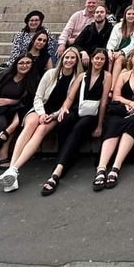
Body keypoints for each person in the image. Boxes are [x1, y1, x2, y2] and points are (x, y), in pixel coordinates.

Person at [0, 46, 84, 192]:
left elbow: (69, 103)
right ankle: (12, 169)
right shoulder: (50, 74)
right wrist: (42, 113)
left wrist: (53, 115)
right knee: (31, 124)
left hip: (55, 113)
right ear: (62, 59)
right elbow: (38, 97)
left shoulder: (78, 78)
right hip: (40, 108)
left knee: (41, 129)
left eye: (72, 58)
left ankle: (14, 170)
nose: (69, 60)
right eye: (67, 57)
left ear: (77, 61)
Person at [40, 47, 112, 196]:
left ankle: (57, 171)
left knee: (80, 127)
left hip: (92, 115)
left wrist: (99, 125)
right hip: (77, 109)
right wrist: (64, 109)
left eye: (102, 59)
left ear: (105, 61)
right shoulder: (82, 76)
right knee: (65, 120)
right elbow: (70, 97)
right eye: (96, 58)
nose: (98, 61)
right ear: (91, 59)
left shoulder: (107, 76)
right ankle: (65, 156)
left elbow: (103, 103)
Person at [93, 47, 134, 190]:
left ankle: (116, 167)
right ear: (131, 59)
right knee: (113, 124)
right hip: (121, 109)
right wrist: (129, 103)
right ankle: (101, 168)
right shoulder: (123, 75)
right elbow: (116, 96)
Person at [107, 5, 134, 82]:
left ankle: (113, 86)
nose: (131, 16)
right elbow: (112, 40)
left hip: (130, 53)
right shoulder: (117, 26)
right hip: (116, 51)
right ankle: (106, 81)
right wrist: (110, 51)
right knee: (110, 57)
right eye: (129, 14)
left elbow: (133, 44)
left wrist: (121, 52)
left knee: (119, 59)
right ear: (125, 15)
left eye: (133, 14)